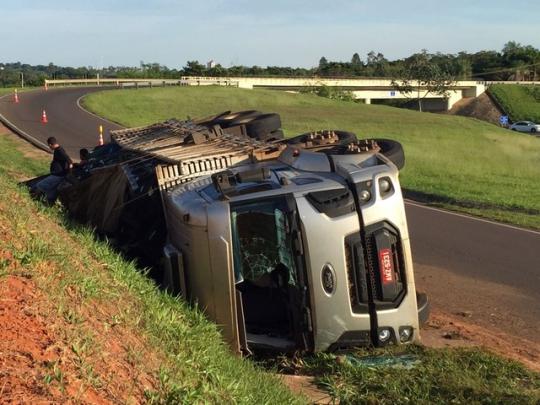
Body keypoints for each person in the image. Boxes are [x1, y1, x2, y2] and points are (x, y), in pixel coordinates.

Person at [34, 137, 73, 203]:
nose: (49, 147)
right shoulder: (58, 150)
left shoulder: (59, 150)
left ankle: (35, 199)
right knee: (51, 192)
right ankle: (47, 203)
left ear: (50, 144)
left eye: (49, 146)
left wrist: (70, 172)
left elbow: (69, 161)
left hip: (58, 175)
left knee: (40, 185)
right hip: (59, 175)